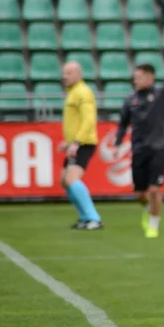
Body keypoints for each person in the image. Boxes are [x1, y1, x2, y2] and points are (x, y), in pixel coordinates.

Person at [116, 44, 164, 239]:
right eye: (135, 77)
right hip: (139, 150)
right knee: (140, 194)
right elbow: (123, 123)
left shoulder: (161, 94)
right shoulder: (130, 100)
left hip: (158, 147)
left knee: (155, 189)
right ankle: (149, 210)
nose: (135, 80)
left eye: (139, 76)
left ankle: (154, 224)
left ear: (150, 77)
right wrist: (118, 141)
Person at [60, 61, 103, 230]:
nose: (65, 77)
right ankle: (84, 218)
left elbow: (88, 120)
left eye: (69, 73)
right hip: (76, 143)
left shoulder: (82, 93)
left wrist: (76, 142)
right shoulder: (73, 92)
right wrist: (68, 142)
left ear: (78, 75)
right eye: (64, 73)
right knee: (64, 180)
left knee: (71, 179)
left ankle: (94, 218)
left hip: (84, 143)